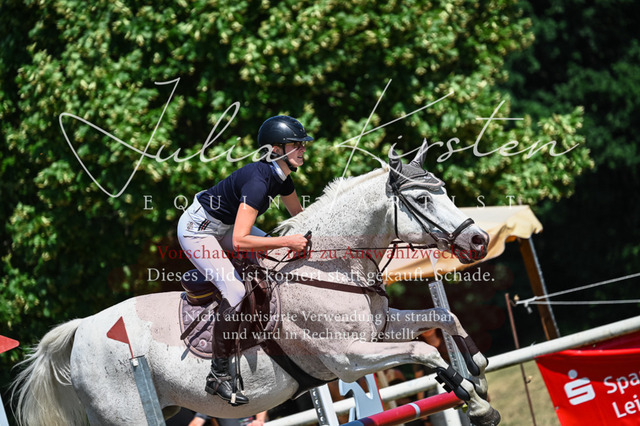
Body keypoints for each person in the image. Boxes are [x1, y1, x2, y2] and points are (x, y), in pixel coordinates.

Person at [177, 116, 312, 406]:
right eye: (296, 144)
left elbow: (301, 218)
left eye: (303, 144)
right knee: (236, 289)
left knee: (276, 256)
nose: (303, 149)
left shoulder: (282, 178)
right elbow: (240, 241)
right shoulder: (258, 182)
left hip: (224, 227)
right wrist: (288, 242)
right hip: (198, 230)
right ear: (276, 149)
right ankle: (218, 374)